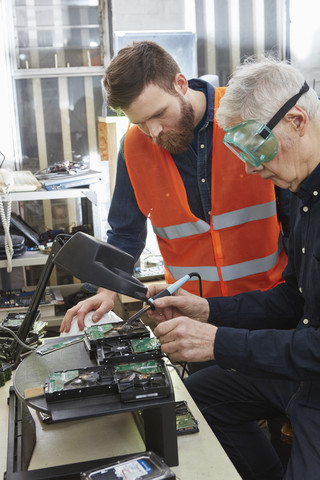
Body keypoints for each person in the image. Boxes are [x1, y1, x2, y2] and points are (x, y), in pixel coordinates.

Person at [146, 57, 320, 480]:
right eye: (238, 151)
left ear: (296, 120)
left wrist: (220, 343)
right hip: (308, 368)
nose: (248, 167)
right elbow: (290, 299)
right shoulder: (298, 195)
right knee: (204, 394)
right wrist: (205, 311)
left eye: (254, 146)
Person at [60, 42, 289, 334]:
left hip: (270, 309)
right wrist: (107, 290)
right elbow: (126, 233)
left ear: (180, 84)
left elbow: (295, 211)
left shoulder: (244, 117)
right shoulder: (133, 148)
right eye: (140, 122)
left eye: (158, 114)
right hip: (192, 317)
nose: (153, 132)